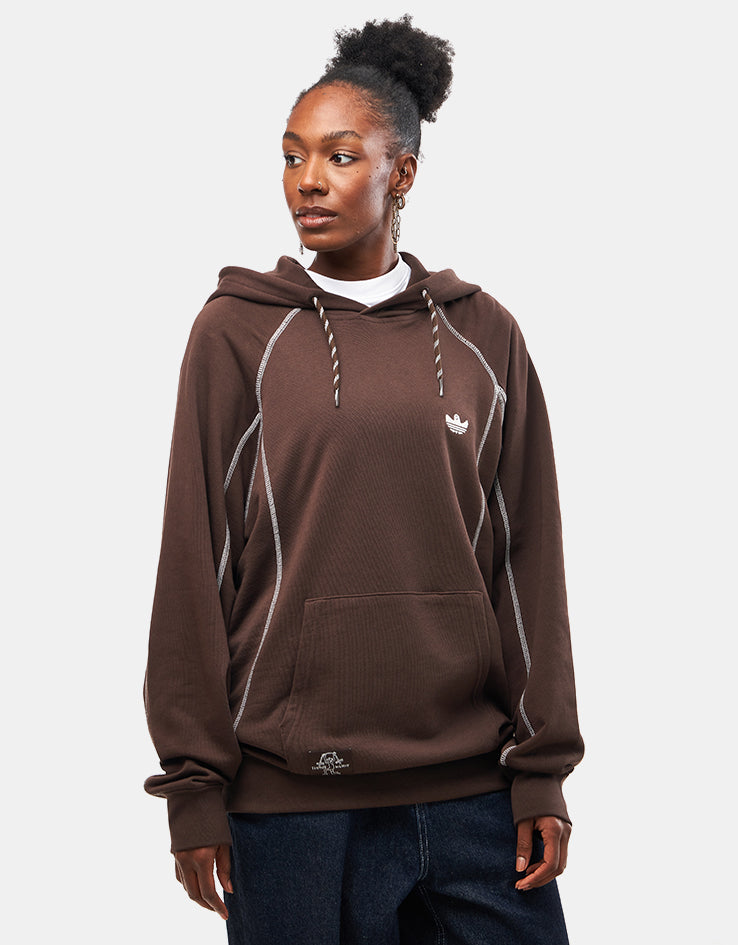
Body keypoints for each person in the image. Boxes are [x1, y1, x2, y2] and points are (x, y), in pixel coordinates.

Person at [144, 15, 584, 944]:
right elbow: (193, 560)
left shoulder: (483, 333)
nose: (307, 179)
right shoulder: (238, 333)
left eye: (340, 156)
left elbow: (527, 561)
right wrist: (194, 786)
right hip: (291, 805)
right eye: (292, 156)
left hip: (474, 794)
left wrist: (541, 768)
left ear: (402, 174)